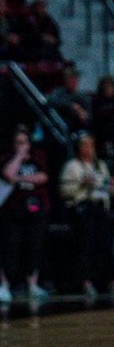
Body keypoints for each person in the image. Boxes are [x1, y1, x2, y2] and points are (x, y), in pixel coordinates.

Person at [59, 133, 114, 299]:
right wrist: (82, 185)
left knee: (105, 245)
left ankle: (110, 281)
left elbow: (106, 188)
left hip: (100, 208)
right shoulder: (72, 166)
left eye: (91, 145)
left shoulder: (100, 165)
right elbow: (65, 191)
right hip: (83, 208)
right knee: (86, 245)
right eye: (85, 145)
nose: (89, 149)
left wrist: (112, 187)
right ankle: (86, 282)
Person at [0, 127, 51, 305]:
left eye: (24, 142)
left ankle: (32, 284)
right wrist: (19, 156)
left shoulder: (38, 157)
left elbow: (42, 177)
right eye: (18, 143)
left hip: (36, 209)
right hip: (12, 210)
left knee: (34, 246)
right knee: (10, 247)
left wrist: (20, 180)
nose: (21, 146)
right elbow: (8, 174)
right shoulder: (7, 157)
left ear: (29, 143)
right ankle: (5, 285)